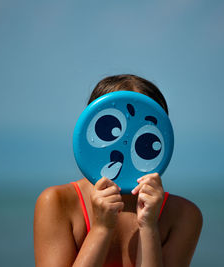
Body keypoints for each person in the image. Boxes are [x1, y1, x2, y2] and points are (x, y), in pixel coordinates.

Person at [33, 74, 203, 267]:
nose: (124, 145)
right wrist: (101, 228)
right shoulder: (57, 203)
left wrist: (148, 228)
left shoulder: (183, 216)